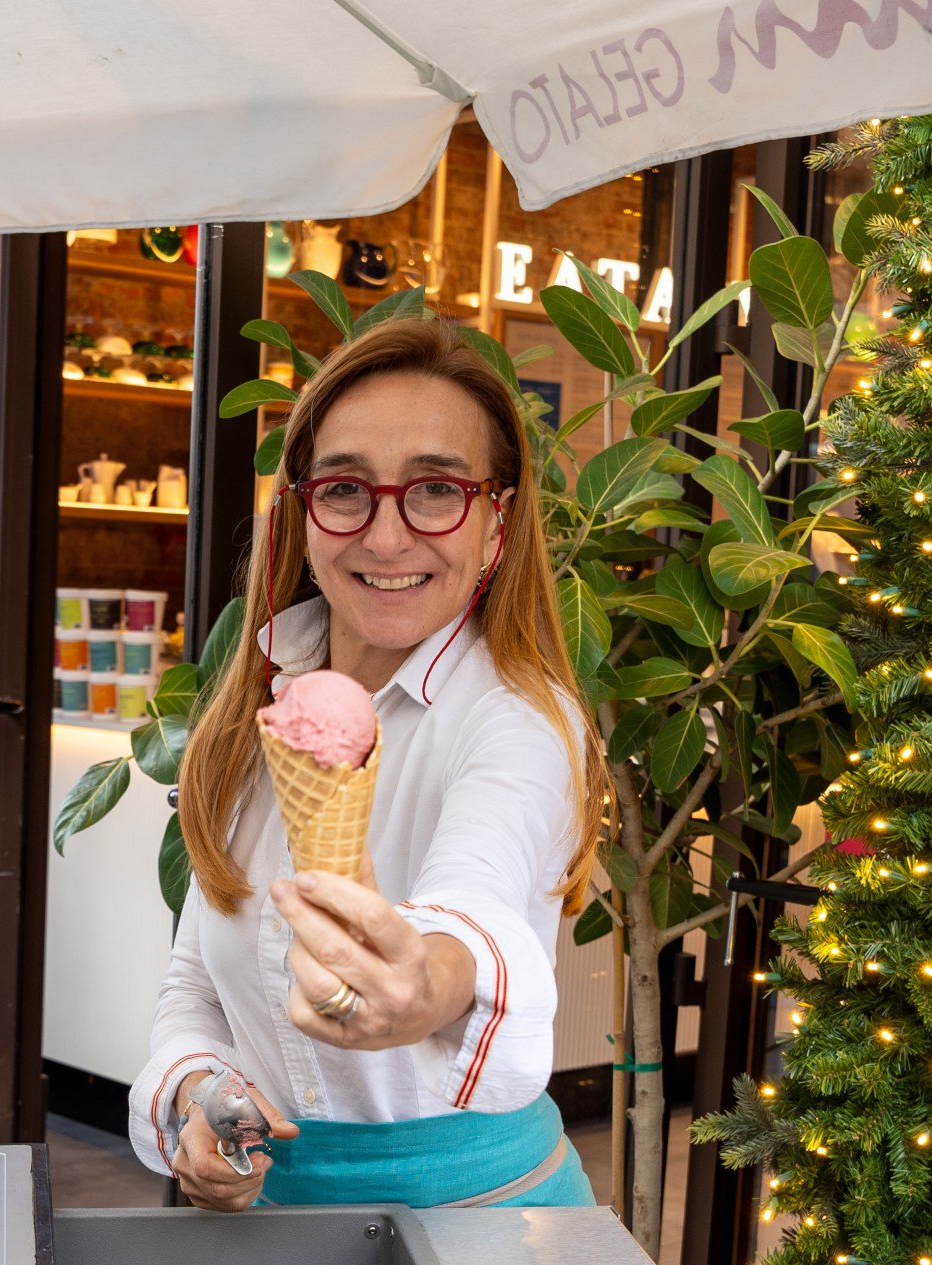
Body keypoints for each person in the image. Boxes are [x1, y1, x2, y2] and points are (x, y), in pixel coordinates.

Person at [128, 313, 607, 1212]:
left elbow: (476, 904)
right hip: (269, 1225)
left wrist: (422, 983)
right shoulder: (257, 709)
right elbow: (196, 981)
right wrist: (202, 1098)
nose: (386, 539)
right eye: (346, 489)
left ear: (497, 524)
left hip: (486, 1227)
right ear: (302, 513)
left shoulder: (520, 721)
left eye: (437, 490)